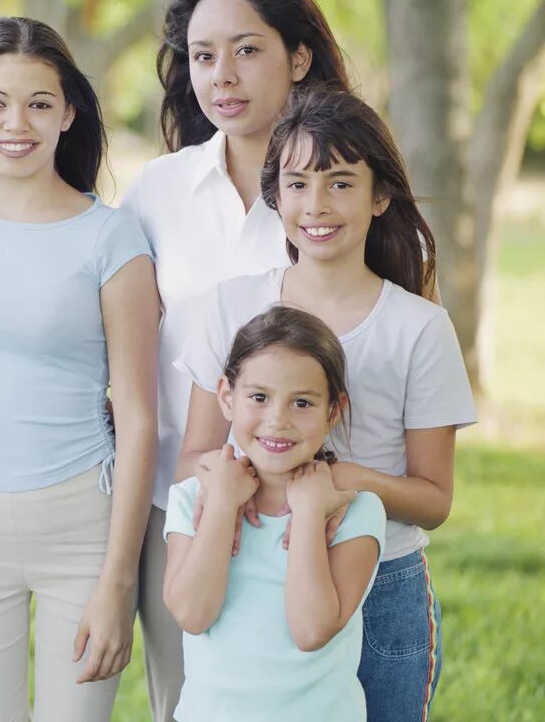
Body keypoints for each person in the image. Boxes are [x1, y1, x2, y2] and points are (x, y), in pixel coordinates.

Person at [176, 86, 477, 721]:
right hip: (248, 575)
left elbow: (435, 499)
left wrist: (340, 484)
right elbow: (197, 456)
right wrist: (235, 497)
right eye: (297, 183)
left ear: (380, 195)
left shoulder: (418, 328)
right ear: (275, 196)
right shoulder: (230, 305)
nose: (316, 205)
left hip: (382, 584)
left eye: (340, 183)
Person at [120, 0, 357, 721]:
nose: (222, 75)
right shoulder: (158, 192)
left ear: (299, 57)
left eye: (248, 49)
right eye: (202, 54)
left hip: (312, 508)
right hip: (185, 498)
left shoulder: (341, 191)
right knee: (189, 702)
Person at [0, 17, 158, 720]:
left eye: (39, 103)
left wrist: (117, 581)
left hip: (80, 520)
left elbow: (139, 417)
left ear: (68, 112)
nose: (15, 123)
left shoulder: (110, 237)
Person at [164, 305, 387, 722]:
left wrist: (307, 514)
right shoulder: (190, 498)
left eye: (302, 402)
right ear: (227, 397)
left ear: (333, 410)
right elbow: (192, 615)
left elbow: (311, 631)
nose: (277, 420)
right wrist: (222, 506)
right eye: (259, 397)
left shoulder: (356, 512)